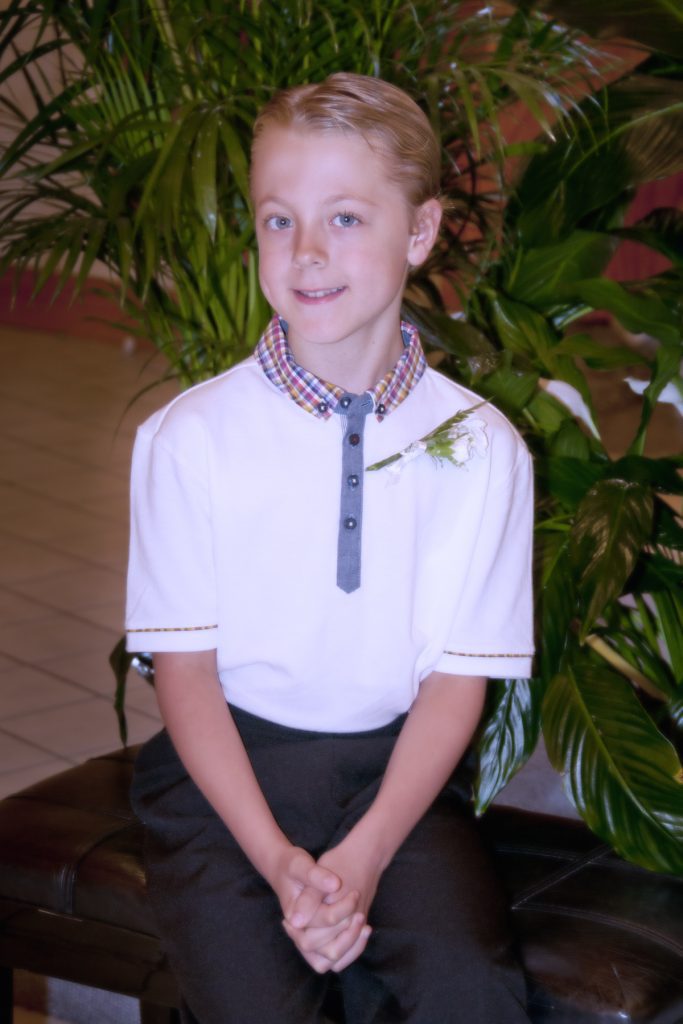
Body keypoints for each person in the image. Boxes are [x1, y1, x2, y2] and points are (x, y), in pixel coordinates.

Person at [127, 71, 535, 1024]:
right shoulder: (190, 437)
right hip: (224, 784)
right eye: (279, 220)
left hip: (393, 784)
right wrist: (280, 862)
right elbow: (184, 675)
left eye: (345, 218)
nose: (306, 251)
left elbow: (454, 684)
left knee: (469, 993)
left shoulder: (483, 447)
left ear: (421, 231)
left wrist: (364, 856)